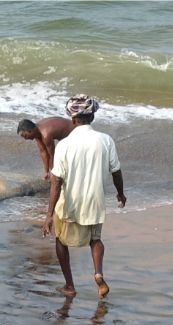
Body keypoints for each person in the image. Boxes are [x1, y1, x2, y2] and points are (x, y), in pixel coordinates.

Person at [44, 96, 124, 299]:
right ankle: (98, 273)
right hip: (95, 201)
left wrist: (49, 214)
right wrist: (120, 193)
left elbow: (56, 181)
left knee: (61, 241)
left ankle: (69, 286)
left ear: (73, 120)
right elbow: (116, 170)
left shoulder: (64, 144)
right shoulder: (105, 140)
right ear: (92, 116)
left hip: (69, 202)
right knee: (95, 240)